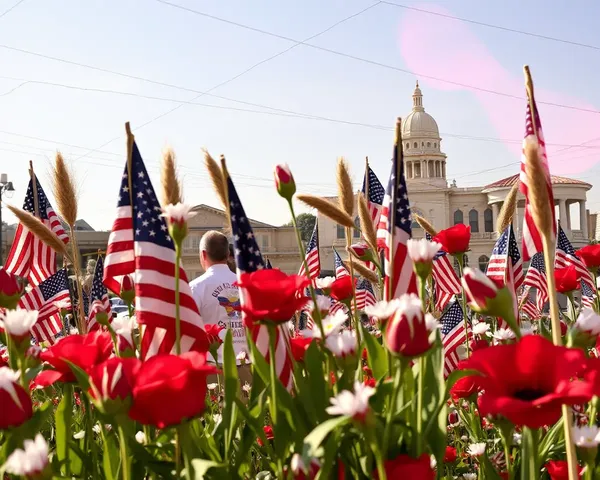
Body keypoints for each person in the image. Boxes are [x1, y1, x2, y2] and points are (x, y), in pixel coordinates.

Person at [190, 231, 251, 385]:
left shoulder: (196, 287)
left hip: (213, 371)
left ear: (203, 254)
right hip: (247, 366)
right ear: (227, 253)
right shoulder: (246, 285)